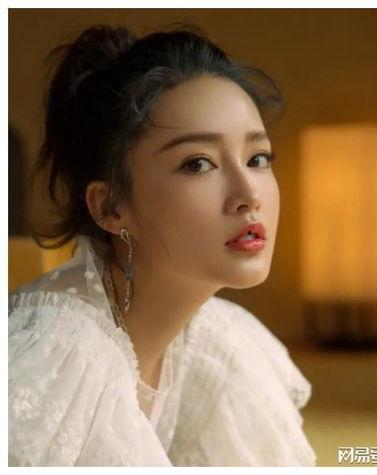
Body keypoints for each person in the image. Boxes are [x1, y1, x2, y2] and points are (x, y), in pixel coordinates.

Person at [8, 23, 317, 467]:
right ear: (110, 206)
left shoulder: (216, 346)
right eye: (198, 164)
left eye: (257, 158)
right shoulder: (57, 355)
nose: (249, 193)